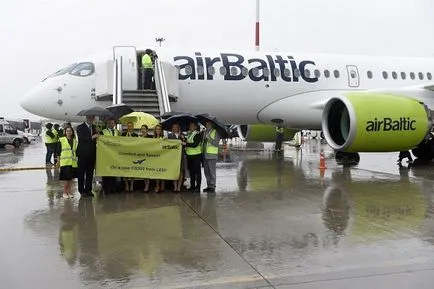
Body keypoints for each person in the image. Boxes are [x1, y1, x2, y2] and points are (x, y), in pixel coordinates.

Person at [76, 115, 98, 197]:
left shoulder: (95, 127)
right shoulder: (80, 127)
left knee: (90, 173)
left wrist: (97, 134)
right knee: (81, 173)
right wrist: (92, 137)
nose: (91, 119)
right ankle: (81, 191)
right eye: (89, 118)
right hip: (82, 154)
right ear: (86, 118)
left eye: (92, 118)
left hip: (92, 154)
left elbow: (96, 139)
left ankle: (88, 190)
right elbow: (81, 138)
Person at [100, 118, 121, 194]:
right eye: (110, 123)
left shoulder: (117, 132)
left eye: (112, 123)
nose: (111, 125)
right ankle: (105, 189)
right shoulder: (103, 132)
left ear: (114, 124)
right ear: (107, 124)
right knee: (106, 172)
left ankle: (112, 187)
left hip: (114, 154)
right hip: (106, 154)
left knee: (113, 171)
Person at [59, 127, 78, 199]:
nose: (69, 132)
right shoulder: (61, 140)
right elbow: (58, 151)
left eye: (70, 131)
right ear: (65, 132)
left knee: (71, 179)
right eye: (67, 131)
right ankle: (65, 192)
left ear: (72, 132)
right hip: (65, 162)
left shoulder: (74, 140)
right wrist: (58, 162)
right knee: (66, 179)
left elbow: (75, 151)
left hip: (73, 162)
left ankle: (69, 192)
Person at [202, 121, 221, 193]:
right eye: (206, 124)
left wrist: (209, 138)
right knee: (206, 172)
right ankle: (209, 185)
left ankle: (212, 186)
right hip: (205, 154)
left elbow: (216, 143)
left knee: (212, 172)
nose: (207, 125)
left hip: (212, 155)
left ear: (212, 125)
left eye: (209, 124)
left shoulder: (216, 132)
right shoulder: (205, 132)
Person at [167, 123, 186, 193]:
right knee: (174, 171)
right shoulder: (169, 136)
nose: (175, 128)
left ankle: (179, 187)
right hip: (173, 156)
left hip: (181, 155)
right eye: (173, 127)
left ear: (178, 128)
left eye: (176, 127)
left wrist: (184, 143)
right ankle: (175, 187)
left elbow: (185, 143)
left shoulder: (182, 135)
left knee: (181, 171)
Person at [185, 122, 203, 193]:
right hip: (189, 156)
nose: (191, 127)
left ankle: (198, 187)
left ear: (196, 127)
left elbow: (195, 144)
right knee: (191, 172)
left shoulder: (197, 134)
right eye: (190, 126)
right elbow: (188, 142)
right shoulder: (189, 134)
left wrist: (186, 144)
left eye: (193, 126)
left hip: (196, 156)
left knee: (197, 172)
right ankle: (192, 186)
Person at [122, 122, 138, 192]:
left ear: (133, 127)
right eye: (128, 126)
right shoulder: (123, 134)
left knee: (132, 170)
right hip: (125, 155)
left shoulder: (136, 135)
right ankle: (126, 185)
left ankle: (131, 185)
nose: (129, 127)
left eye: (131, 126)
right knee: (125, 170)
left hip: (133, 155)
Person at [153, 124, 166, 193]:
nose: (158, 130)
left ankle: (163, 185)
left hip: (162, 157)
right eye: (156, 129)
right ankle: (157, 186)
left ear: (161, 131)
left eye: (159, 129)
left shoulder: (164, 137)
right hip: (155, 158)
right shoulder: (153, 138)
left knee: (162, 171)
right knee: (157, 172)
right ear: (155, 130)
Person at [140, 125, 152, 192]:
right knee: (143, 171)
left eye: (144, 129)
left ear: (147, 130)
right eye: (142, 129)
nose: (143, 130)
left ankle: (147, 186)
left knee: (147, 171)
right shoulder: (138, 137)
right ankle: (145, 185)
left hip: (148, 156)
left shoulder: (150, 137)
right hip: (141, 156)